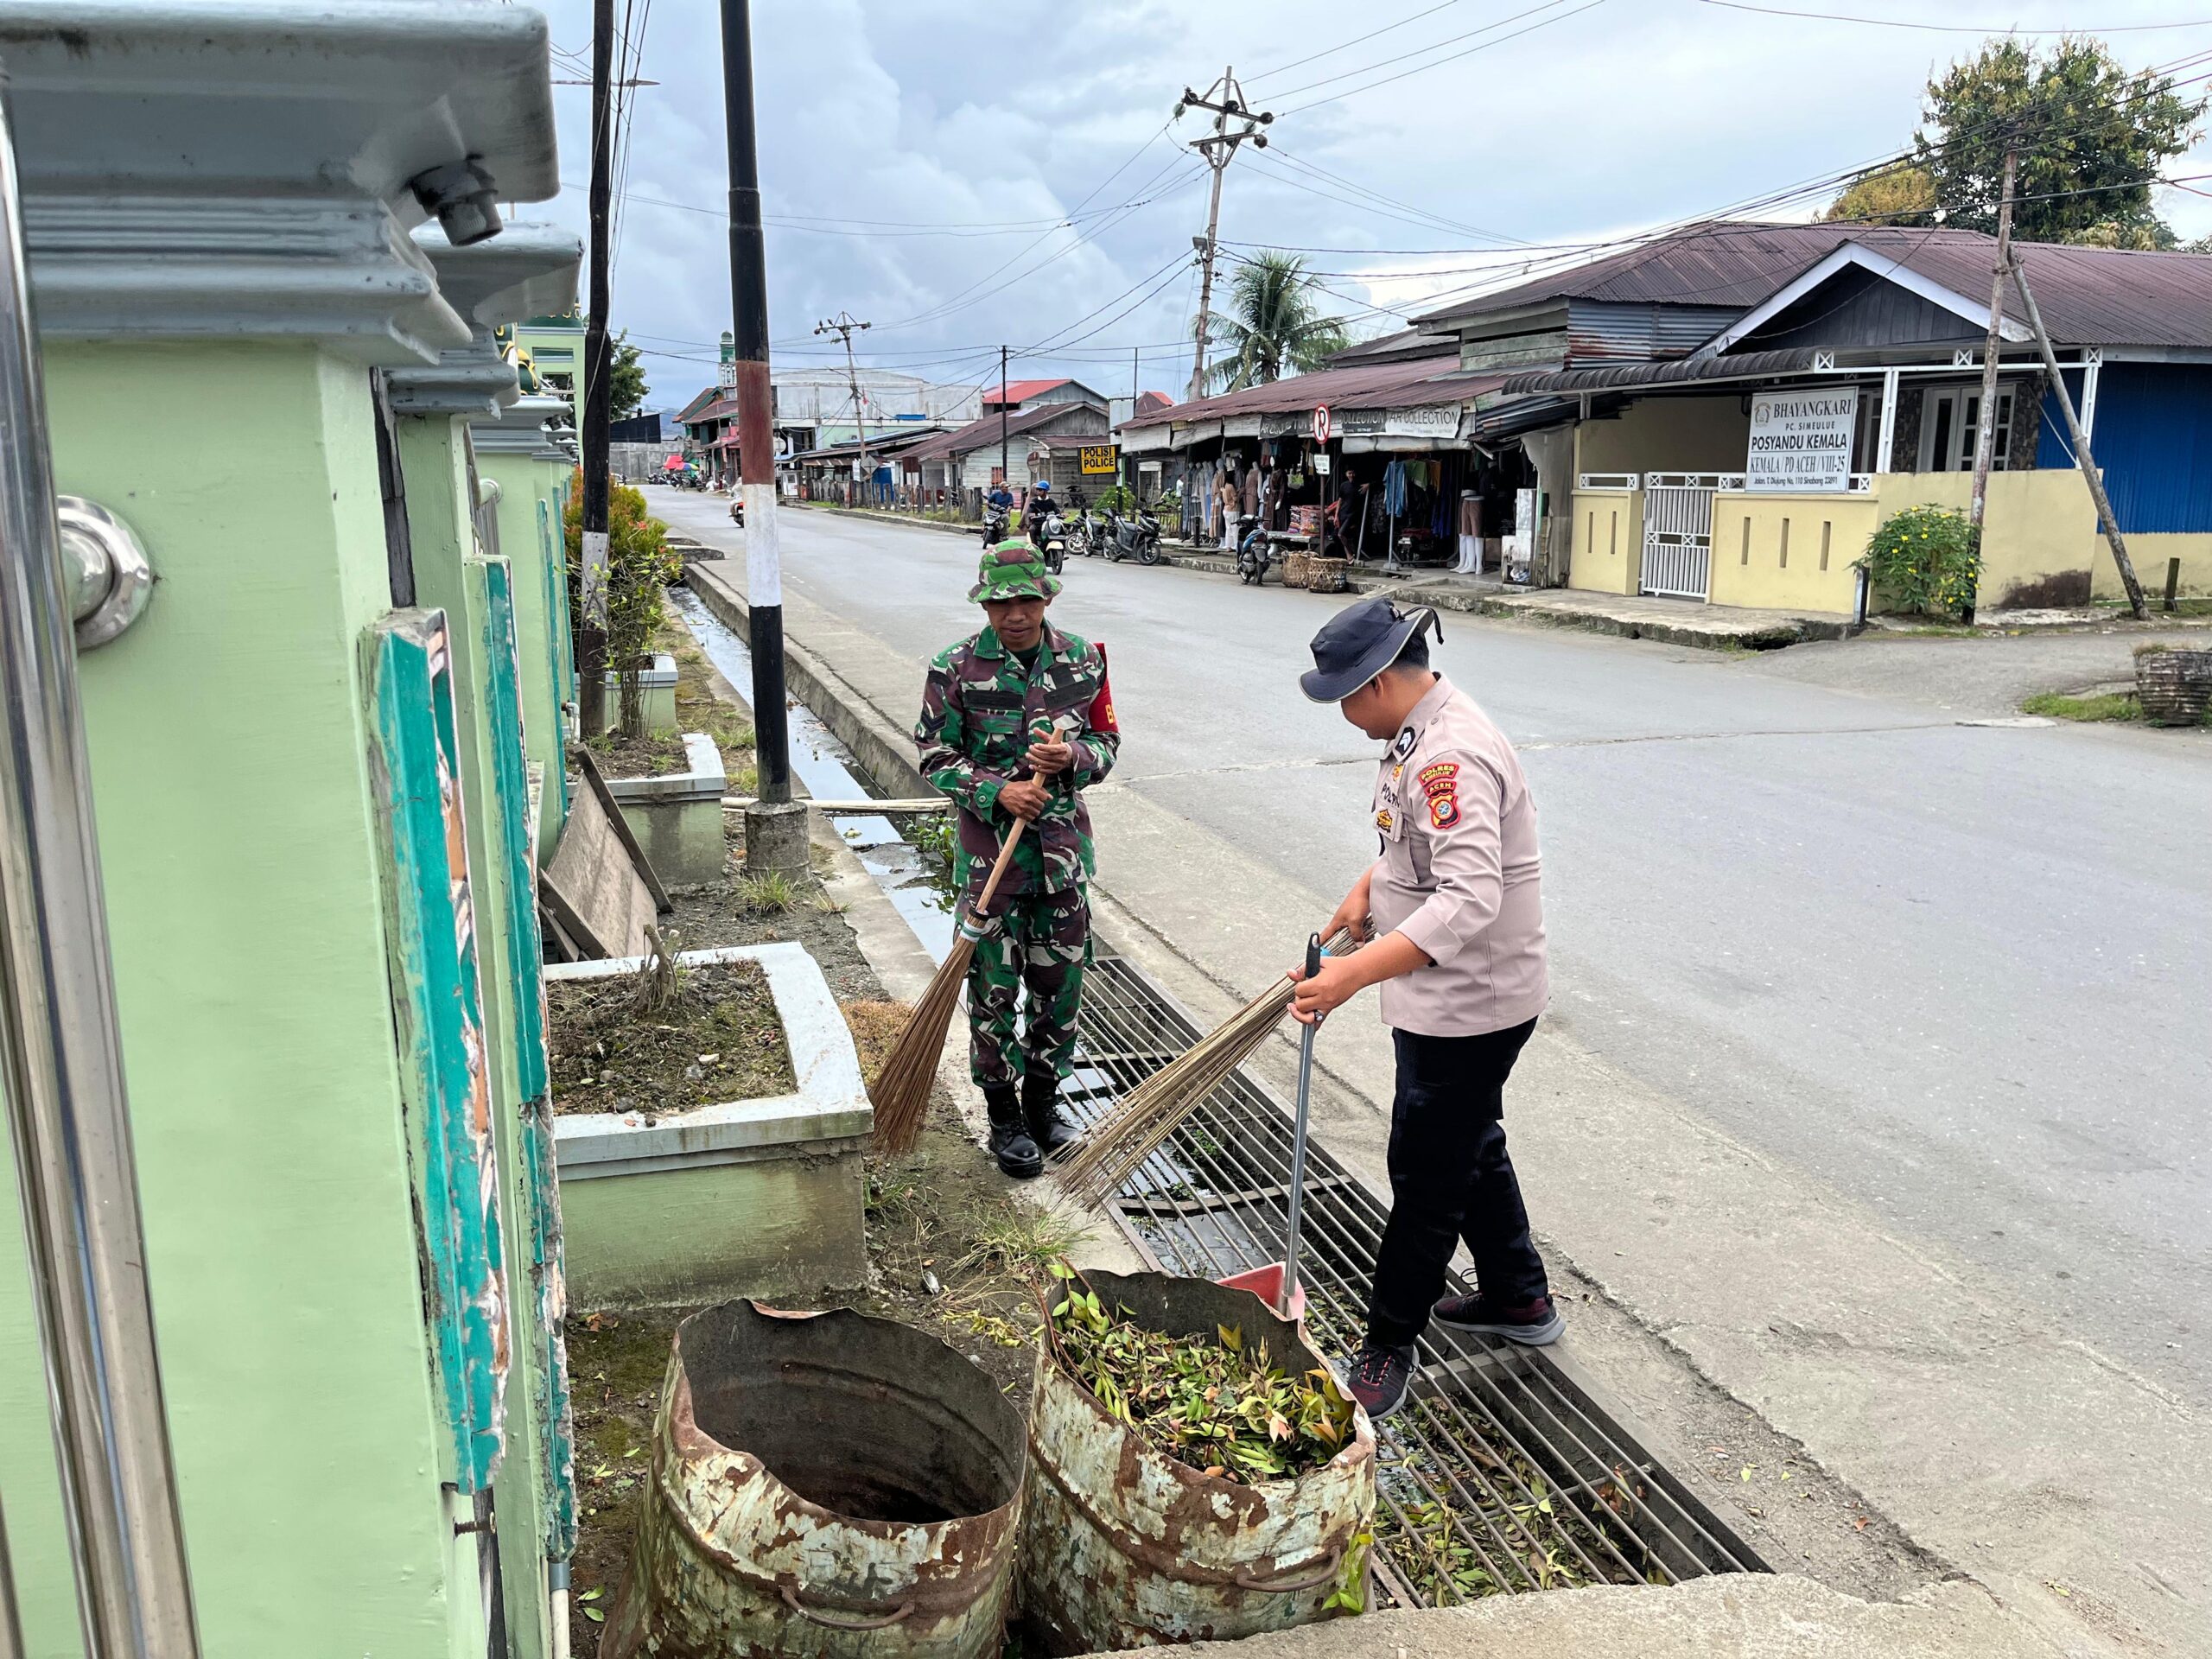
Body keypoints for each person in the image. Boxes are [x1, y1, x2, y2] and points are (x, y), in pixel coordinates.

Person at [1288, 596, 1559, 1420]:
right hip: (1442, 994)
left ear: (1376, 683)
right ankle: (1519, 1296)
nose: (1343, 714)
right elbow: (1414, 850)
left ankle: (1389, 1343)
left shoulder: (1450, 755)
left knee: (1426, 1171)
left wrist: (1350, 975)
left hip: (1471, 1004)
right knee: (1467, 1141)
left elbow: (1469, 898)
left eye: (1343, 697)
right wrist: (1366, 890)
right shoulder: (1416, 735)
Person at [916, 543, 1119, 1178]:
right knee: (993, 991)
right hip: (991, 869)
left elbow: (1107, 741)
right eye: (1000, 603)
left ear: (1047, 597)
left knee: (1060, 989)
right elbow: (934, 755)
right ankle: (1004, 1115)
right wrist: (996, 791)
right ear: (984, 604)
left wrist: (1074, 759)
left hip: (1061, 863)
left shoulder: (1084, 659)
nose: (1015, 615)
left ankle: (1044, 1105)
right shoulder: (953, 668)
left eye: (1027, 600)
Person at [1026, 478, 1057, 550]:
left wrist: (1062, 514)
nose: (1038, 491)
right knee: (1031, 529)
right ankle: (1035, 548)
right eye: (1037, 489)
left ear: (1045, 491)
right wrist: (1031, 515)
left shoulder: (1051, 501)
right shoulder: (1034, 501)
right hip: (1038, 523)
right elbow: (1029, 511)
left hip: (1048, 523)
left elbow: (1056, 511)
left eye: (1040, 490)